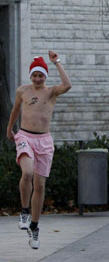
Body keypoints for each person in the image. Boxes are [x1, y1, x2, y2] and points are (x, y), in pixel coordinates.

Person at [7, 53, 71, 249]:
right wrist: (9, 128)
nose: (37, 79)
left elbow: (67, 85)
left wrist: (57, 62)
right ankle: (24, 211)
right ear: (30, 75)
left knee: (40, 186)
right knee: (27, 172)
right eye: (34, 75)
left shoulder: (51, 92)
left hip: (44, 140)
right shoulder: (22, 91)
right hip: (25, 136)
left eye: (40, 75)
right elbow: (16, 110)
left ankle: (34, 227)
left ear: (45, 76)